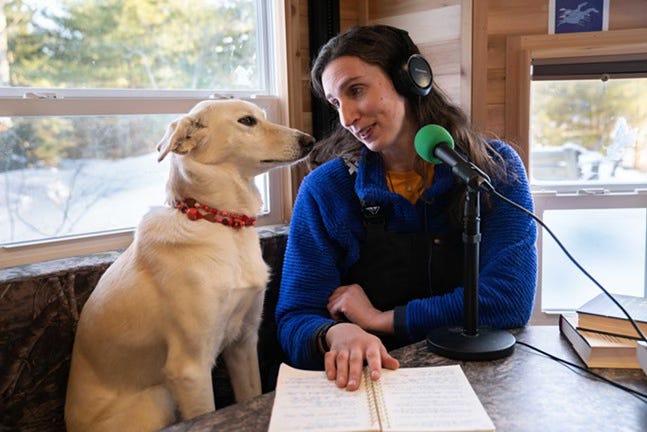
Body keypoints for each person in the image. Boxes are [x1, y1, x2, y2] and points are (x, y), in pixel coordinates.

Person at [275, 25, 537, 392]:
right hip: (372, 381)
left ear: (413, 78)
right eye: (336, 103)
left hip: (477, 379)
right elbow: (294, 317)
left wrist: (382, 320)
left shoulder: (495, 169)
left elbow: (508, 299)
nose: (347, 117)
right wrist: (337, 332)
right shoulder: (326, 190)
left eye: (356, 90)